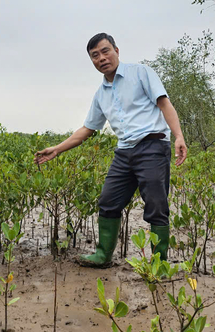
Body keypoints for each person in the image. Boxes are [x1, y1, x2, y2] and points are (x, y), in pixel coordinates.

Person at [34, 33, 187, 268]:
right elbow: (88, 128)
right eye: (95, 56)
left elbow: (163, 103)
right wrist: (57, 149)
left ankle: (159, 264)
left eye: (105, 51)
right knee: (108, 202)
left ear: (117, 50)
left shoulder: (141, 73)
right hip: (124, 152)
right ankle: (103, 255)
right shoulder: (101, 94)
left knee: (156, 206)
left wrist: (178, 136)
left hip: (152, 146)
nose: (101, 58)